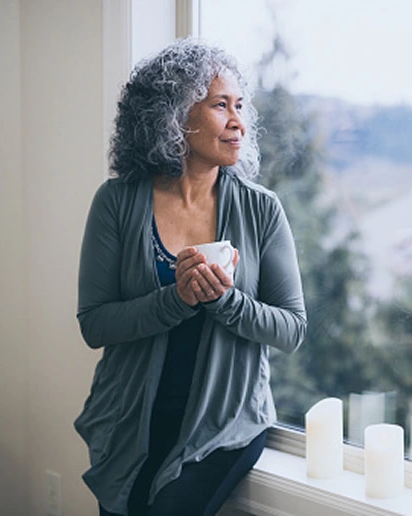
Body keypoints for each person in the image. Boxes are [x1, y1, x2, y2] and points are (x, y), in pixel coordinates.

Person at [75, 39, 307, 516]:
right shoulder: (116, 202)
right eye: (221, 105)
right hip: (128, 424)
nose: (239, 122)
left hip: (223, 426)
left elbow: (292, 328)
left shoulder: (262, 209)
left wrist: (225, 301)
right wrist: (176, 299)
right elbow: (94, 324)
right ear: (173, 116)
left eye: (240, 106)